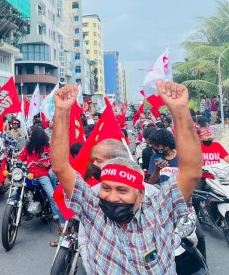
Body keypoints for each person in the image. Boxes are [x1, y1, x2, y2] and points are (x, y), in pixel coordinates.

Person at [50, 81, 201, 274]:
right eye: (106, 188)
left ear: (140, 194)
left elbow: (191, 171)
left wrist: (180, 111)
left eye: (122, 190)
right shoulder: (93, 210)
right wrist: (62, 113)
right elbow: (61, 167)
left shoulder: (159, 211)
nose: (112, 197)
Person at [78, 139, 159, 270]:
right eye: (107, 189)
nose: (93, 164)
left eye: (98, 160)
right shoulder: (93, 194)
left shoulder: (152, 193)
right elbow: (84, 241)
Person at [18, 126, 64, 243]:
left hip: (42, 175)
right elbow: (21, 157)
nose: (31, 135)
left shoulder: (46, 148)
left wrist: (47, 164)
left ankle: (57, 218)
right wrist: (16, 159)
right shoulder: (28, 147)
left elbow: (51, 160)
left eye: (33, 134)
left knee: (52, 195)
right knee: (16, 188)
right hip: (29, 174)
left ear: (38, 135)